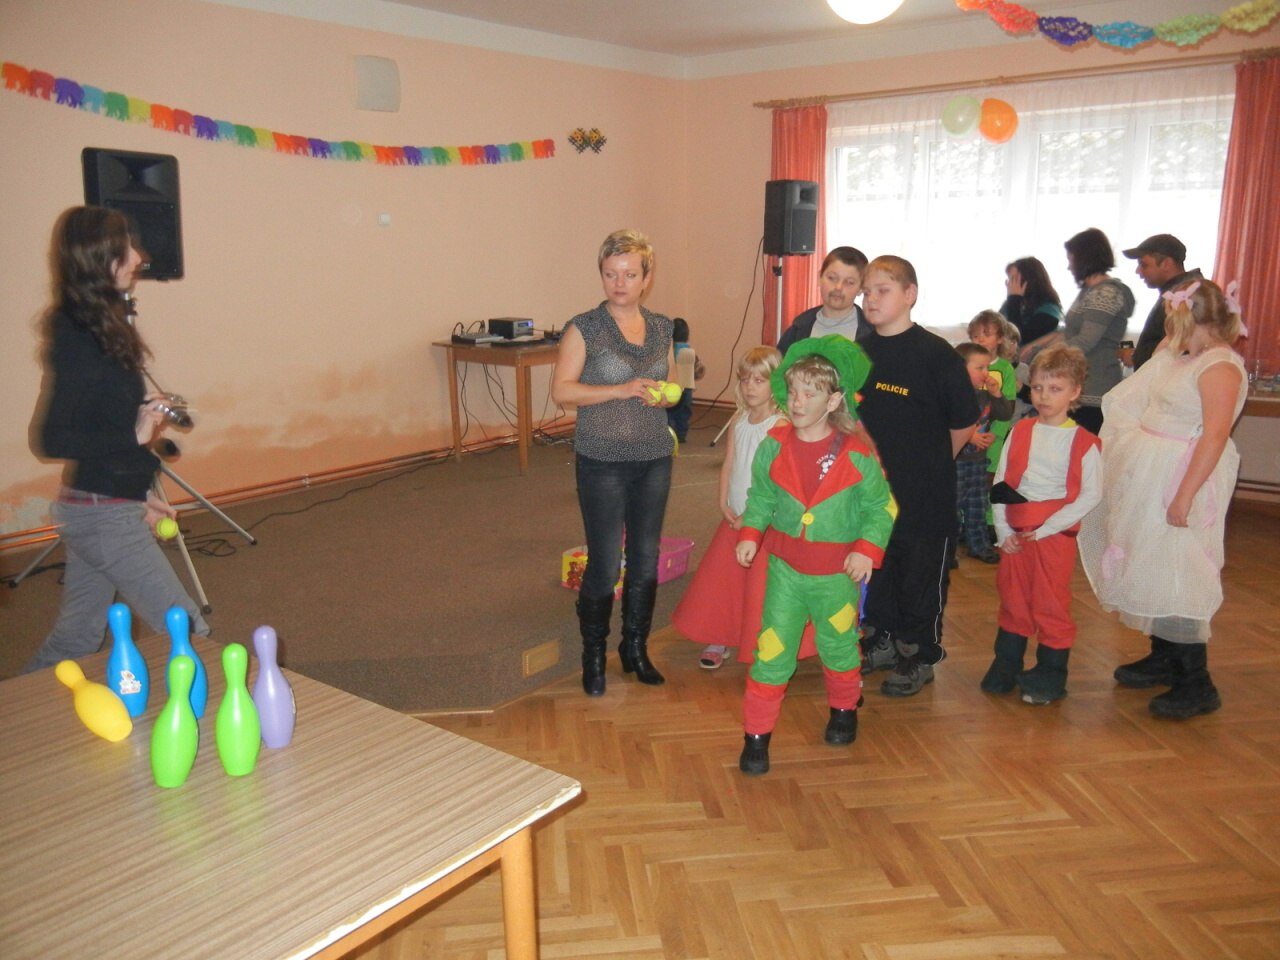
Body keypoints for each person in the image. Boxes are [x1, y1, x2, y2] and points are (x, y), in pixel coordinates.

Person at [24, 206, 209, 673]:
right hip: (102, 515)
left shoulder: (102, 326)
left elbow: (104, 426)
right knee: (186, 631)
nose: (139, 257)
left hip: (101, 504)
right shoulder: (77, 333)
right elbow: (51, 437)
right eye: (128, 248)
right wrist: (134, 432)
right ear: (100, 257)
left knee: (76, 638)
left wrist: (140, 495)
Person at [1079, 279, 1246, 719]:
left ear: (1191, 319)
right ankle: (1165, 654)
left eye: (1175, 321)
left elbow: (1214, 435)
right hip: (1152, 474)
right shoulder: (1181, 355)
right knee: (1149, 558)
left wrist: (1184, 496)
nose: (1170, 332)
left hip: (1182, 478)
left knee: (1179, 566)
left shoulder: (1219, 368)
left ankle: (1196, 681)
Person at [734, 336, 895, 775]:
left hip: (836, 575)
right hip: (785, 571)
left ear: (834, 400)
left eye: (811, 393)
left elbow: (880, 508)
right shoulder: (774, 444)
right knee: (772, 651)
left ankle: (844, 709)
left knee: (838, 645)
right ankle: (756, 736)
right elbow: (762, 496)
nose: (798, 401)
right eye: (793, 391)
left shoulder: (856, 453)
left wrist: (865, 549)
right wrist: (751, 532)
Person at [552, 228, 677, 697]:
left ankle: (635, 648)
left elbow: (673, 386)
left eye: (629, 274)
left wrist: (666, 395)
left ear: (646, 277)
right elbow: (562, 392)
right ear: (601, 275)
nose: (620, 283)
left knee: (645, 560)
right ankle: (593, 656)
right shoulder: (585, 327)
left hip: (653, 456)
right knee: (605, 564)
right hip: (601, 458)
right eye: (611, 274)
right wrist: (620, 390)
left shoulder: (663, 328)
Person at [856, 255, 979, 696]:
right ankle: (883, 641)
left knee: (920, 577)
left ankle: (920, 654)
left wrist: (933, 461)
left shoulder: (936, 355)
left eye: (882, 290)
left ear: (910, 295)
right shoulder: (860, 351)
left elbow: (965, 419)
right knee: (881, 570)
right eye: (867, 291)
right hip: (874, 494)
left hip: (925, 497)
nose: (871, 299)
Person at [983, 344, 1102, 705]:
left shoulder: (1084, 443)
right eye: (1037, 388)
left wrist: (1048, 528)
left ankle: (1051, 672)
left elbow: (1090, 495)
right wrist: (1003, 531)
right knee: (1013, 596)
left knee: (1050, 601)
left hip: (1053, 536)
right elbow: (1002, 483)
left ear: (1075, 392)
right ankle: (1007, 662)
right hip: (1016, 533)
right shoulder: (1020, 430)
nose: (1044, 396)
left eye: (1055, 389)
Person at [672, 346, 789, 669]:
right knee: (724, 582)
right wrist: (723, 501)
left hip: (765, 523)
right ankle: (719, 636)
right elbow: (729, 464)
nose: (750, 387)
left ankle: (761, 643)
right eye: (745, 379)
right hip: (734, 518)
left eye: (759, 380)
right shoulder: (738, 421)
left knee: (761, 587)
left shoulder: (780, 425)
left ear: (776, 383)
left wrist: (754, 516)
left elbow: (778, 479)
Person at [1023, 228, 1134, 435]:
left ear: (1085, 258)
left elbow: (1085, 341)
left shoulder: (1106, 293)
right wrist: (1037, 347)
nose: (1069, 266)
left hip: (1094, 388)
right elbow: (1069, 332)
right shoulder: (1089, 291)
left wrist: (1042, 356)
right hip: (1080, 384)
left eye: (1071, 259)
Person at [954, 342, 1014, 564]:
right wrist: (969, 436)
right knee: (951, 506)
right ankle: (947, 551)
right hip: (957, 461)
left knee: (978, 504)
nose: (986, 373)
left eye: (987, 367)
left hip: (978, 460)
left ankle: (979, 545)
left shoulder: (985, 395)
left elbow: (1005, 414)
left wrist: (996, 394)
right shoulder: (953, 395)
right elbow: (946, 422)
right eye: (979, 368)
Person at [1121, 234, 1203, 370]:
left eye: (1143, 264)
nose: (1138, 271)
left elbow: (1181, 347)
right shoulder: (1179, 291)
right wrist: (1138, 355)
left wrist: (1137, 357)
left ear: (1166, 264)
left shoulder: (1184, 296)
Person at [777, 246, 871, 354]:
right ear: (819, 277)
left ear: (861, 288)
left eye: (849, 282)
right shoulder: (798, 330)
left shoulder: (872, 334)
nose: (838, 287)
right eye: (832, 278)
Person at [999, 256, 1063, 346]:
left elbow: (1020, 337)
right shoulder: (1010, 304)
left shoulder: (1049, 310)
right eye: (1009, 279)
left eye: (1014, 279)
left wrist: (1014, 299)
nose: (1009, 283)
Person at [666, 317, 704, 443]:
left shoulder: (668, 352)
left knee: (670, 412)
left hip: (672, 389)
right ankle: (681, 435)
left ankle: (670, 435)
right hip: (687, 389)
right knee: (684, 413)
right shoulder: (690, 351)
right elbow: (699, 372)